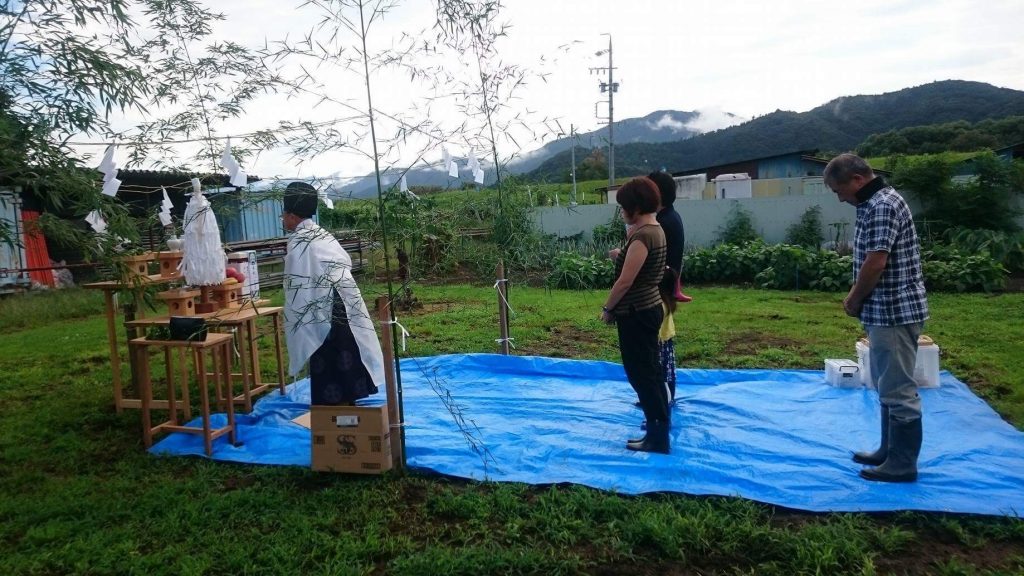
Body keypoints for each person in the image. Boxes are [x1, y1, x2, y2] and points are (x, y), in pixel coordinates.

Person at [824, 153, 929, 483]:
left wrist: (854, 299)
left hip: (894, 311)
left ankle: (902, 463)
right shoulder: (875, 203)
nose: (841, 198)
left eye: (839, 190)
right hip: (884, 311)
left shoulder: (882, 205)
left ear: (857, 179)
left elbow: (876, 262)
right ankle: (888, 450)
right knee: (887, 384)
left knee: (898, 388)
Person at [282, 182, 384, 405]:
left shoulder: (300, 241)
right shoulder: (321, 234)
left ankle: (336, 407)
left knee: (329, 353)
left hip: (325, 305)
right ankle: (349, 400)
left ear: (290, 215)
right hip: (344, 300)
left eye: (284, 215)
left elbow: (299, 285)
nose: (283, 219)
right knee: (347, 350)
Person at [601, 177, 669, 454]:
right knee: (649, 372)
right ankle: (658, 427)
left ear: (636, 207)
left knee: (642, 375)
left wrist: (608, 308)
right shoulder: (655, 229)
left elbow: (626, 282)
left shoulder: (643, 236)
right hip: (647, 308)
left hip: (637, 312)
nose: (621, 212)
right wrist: (623, 254)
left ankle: (657, 436)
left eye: (623, 206)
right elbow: (640, 270)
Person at [647, 171, 692, 304]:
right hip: (668, 284)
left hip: (661, 288)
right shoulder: (671, 215)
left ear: (657, 194)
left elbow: (650, 258)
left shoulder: (662, 223)